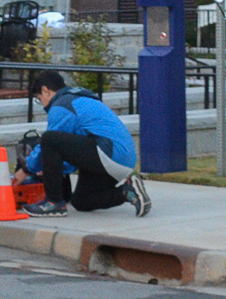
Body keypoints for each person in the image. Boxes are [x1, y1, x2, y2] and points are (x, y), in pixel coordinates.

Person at [14, 69, 148, 215]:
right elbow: (75, 152)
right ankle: (127, 191)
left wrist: (26, 169)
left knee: (48, 138)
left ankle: (54, 203)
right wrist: (51, 167)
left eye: (39, 99)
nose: (43, 104)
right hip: (123, 160)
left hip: (109, 152)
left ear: (45, 91)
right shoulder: (78, 99)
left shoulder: (61, 106)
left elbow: (49, 144)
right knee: (81, 201)